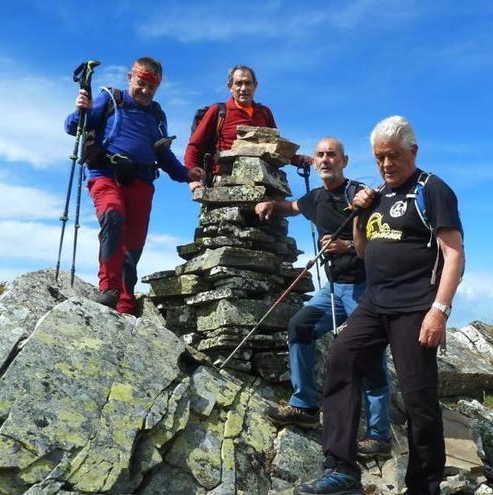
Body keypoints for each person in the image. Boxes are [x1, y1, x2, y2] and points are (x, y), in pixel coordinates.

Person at [295, 116, 464, 495]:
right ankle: (340, 468)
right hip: (374, 303)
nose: (386, 165)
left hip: (416, 307)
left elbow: (453, 255)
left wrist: (439, 310)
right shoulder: (378, 195)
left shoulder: (432, 189)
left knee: (419, 397)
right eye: (379, 158)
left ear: (413, 152)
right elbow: (362, 250)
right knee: (342, 359)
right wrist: (358, 215)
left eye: (393, 156)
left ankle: (424, 485)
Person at [255, 137, 392, 459]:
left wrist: (346, 246)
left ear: (344, 160)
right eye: (320, 155)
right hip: (333, 289)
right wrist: (269, 206)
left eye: (332, 155)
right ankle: (304, 405)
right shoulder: (315, 198)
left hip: (365, 287)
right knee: (299, 327)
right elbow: (291, 207)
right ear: (314, 162)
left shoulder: (358, 194)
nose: (326, 160)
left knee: (369, 357)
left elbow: (384, 237)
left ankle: (379, 436)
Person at [64, 56, 203, 314]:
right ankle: (109, 290)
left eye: (152, 87)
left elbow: (163, 155)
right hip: (105, 174)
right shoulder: (110, 99)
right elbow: (74, 127)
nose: (146, 91)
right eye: (141, 84)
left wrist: (187, 174)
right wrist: (80, 109)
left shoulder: (156, 114)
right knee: (113, 217)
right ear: (131, 77)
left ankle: (126, 303)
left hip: (142, 182)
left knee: (134, 244)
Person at [184, 65, 310, 190]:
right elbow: (195, 145)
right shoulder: (218, 111)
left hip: (264, 182)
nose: (243, 88)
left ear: (255, 85)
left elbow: (276, 146)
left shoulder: (264, 112)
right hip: (225, 181)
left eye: (248, 83)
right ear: (230, 87)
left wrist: (298, 160)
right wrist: (192, 179)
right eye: (238, 83)